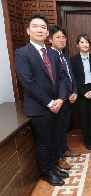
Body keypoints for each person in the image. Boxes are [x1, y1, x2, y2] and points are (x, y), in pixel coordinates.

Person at [14, 13, 69, 186]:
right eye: (35, 26)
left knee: (54, 140)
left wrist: (60, 99)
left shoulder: (53, 54)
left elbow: (62, 78)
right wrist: (49, 102)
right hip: (40, 108)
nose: (39, 30)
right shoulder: (22, 53)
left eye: (43, 27)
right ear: (28, 30)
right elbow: (28, 83)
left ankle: (53, 167)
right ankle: (46, 173)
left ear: (47, 34)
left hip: (57, 106)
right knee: (44, 143)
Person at [48, 25, 81, 170]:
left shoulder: (65, 57)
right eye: (58, 37)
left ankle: (64, 149)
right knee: (56, 130)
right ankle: (58, 157)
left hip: (68, 100)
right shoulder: (48, 56)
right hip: (57, 101)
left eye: (63, 37)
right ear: (50, 39)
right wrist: (64, 97)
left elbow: (71, 77)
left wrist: (74, 91)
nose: (62, 40)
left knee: (64, 128)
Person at [71, 34, 91, 150]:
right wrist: (83, 92)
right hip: (81, 92)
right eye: (82, 42)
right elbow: (74, 78)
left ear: (90, 44)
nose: (85, 44)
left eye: (87, 42)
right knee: (83, 118)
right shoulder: (73, 60)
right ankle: (87, 141)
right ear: (77, 45)